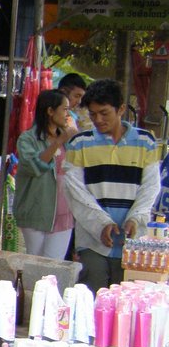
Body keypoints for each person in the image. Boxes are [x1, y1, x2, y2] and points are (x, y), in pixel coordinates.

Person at [64, 78, 161, 292]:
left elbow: (150, 187)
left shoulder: (146, 142)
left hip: (133, 243)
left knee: (125, 304)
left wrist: (135, 218)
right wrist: (102, 224)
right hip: (92, 241)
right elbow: (75, 191)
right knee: (92, 299)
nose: (98, 119)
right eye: (93, 114)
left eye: (104, 113)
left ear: (121, 109)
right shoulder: (79, 143)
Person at [13, 89, 77, 259]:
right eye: (64, 109)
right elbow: (35, 166)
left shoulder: (69, 139)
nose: (67, 114)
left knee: (54, 268)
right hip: (37, 211)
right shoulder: (28, 139)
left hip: (64, 212)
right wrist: (59, 141)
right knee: (36, 263)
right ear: (50, 111)